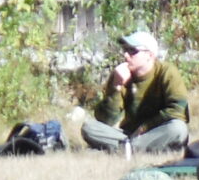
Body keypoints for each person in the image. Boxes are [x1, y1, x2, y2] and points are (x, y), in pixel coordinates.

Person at [81, 29, 190, 158]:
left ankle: (126, 149)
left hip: (158, 131)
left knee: (178, 129)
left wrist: (145, 128)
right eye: (125, 50)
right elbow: (106, 120)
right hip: (129, 133)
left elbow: (178, 111)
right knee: (88, 127)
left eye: (133, 51)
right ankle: (135, 148)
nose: (126, 55)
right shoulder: (120, 75)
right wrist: (117, 87)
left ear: (149, 55)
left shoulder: (167, 72)